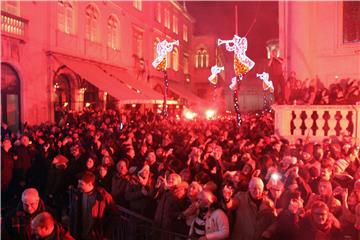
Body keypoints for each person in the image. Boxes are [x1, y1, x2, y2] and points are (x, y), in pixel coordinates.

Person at [68, 171, 115, 240]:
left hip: (95, 236)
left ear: (90, 184)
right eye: (78, 183)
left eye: (81, 184)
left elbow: (114, 215)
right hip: (79, 234)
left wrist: (106, 235)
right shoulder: (78, 194)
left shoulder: (103, 196)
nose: (78, 186)